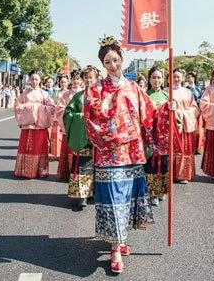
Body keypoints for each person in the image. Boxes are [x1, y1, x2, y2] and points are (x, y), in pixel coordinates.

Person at [83, 36, 155, 274]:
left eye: (115, 59)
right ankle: (115, 248)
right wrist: (111, 103)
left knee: (127, 199)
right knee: (114, 199)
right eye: (107, 61)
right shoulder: (95, 90)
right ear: (102, 65)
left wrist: (168, 110)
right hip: (109, 153)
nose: (112, 65)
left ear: (122, 59)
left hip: (132, 153)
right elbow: (93, 114)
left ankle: (121, 238)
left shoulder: (134, 87)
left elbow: (148, 115)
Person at [13, 70, 55, 179]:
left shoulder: (44, 94)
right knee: (25, 147)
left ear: (40, 81)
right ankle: (24, 170)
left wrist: (38, 108)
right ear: (29, 80)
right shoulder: (25, 93)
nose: (34, 81)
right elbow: (17, 105)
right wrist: (31, 108)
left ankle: (40, 170)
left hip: (39, 126)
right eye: (32, 79)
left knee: (39, 147)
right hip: (28, 126)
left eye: (36, 79)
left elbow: (51, 107)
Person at [63, 66, 95, 208]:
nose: (89, 80)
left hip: (97, 138)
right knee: (82, 165)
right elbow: (67, 114)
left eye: (91, 77)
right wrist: (80, 117)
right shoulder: (77, 97)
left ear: (96, 79)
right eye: (86, 77)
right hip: (81, 135)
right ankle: (81, 195)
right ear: (83, 79)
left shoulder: (102, 95)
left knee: (97, 166)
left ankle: (93, 192)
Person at [143, 66, 170, 206]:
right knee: (151, 164)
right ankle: (153, 192)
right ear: (149, 79)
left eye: (159, 77)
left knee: (164, 164)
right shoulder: (145, 96)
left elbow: (174, 117)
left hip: (164, 137)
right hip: (150, 136)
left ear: (163, 79)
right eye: (153, 77)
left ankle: (162, 191)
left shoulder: (167, 96)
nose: (156, 80)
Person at [171, 68, 199, 184]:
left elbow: (194, 108)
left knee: (184, 150)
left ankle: (183, 174)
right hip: (172, 126)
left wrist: (182, 114)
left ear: (182, 78)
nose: (176, 79)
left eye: (178, 77)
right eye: (174, 77)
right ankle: (170, 173)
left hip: (184, 125)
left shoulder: (187, 92)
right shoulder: (167, 91)